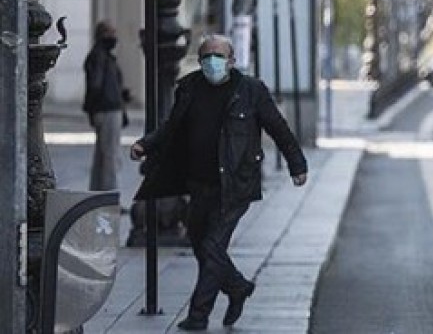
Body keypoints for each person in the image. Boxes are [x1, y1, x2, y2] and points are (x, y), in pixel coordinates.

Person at [130, 34, 308, 331]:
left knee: (212, 245)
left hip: (236, 184)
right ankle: (237, 287)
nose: (213, 61)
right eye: (207, 56)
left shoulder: (251, 90)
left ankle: (199, 316)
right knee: (201, 245)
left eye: (219, 55)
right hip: (199, 183)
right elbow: (171, 126)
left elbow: (278, 128)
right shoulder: (189, 88)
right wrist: (145, 145)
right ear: (199, 61)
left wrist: (297, 165)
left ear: (232, 60)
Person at [82, 20, 129, 191]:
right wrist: (94, 108)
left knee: (103, 155)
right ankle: (110, 195)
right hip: (108, 109)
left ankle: (98, 192)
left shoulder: (102, 56)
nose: (114, 37)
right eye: (110, 33)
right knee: (111, 156)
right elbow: (96, 85)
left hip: (106, 108)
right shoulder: (100, 57)